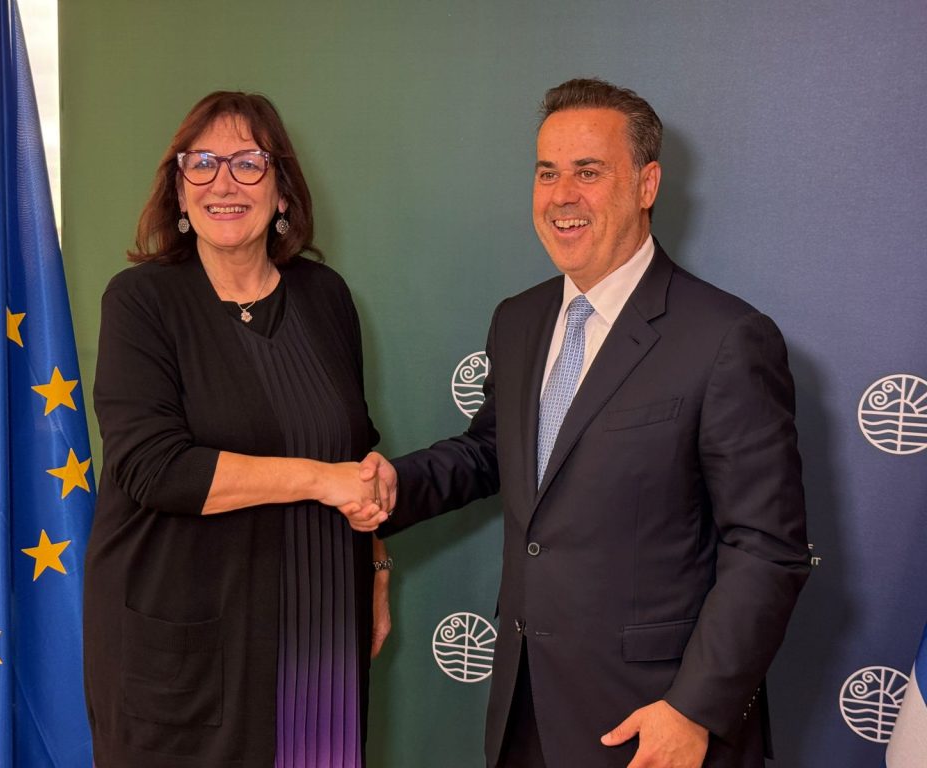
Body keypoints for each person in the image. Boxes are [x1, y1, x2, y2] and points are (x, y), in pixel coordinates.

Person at [357, 78, 810, 768]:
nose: (561, 196)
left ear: (647, 184)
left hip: (653, 723)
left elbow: (766, 548)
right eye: (547, 173)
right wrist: (393, 486)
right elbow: (494, 451)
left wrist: (694, 709)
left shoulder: (726, 338)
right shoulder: (519, 319)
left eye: (588, 172)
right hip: (524, 709)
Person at [83, 91, 391, 768]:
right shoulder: (141, 301)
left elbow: (355, 451)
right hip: (186, 649)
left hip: (320, 632)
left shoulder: (326, 297)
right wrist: (320, 480)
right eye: (202, 164)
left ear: (282, 190)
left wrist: (375, 571)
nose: (223, 183)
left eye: (248, 163)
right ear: (179, 191)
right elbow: (156, 469)